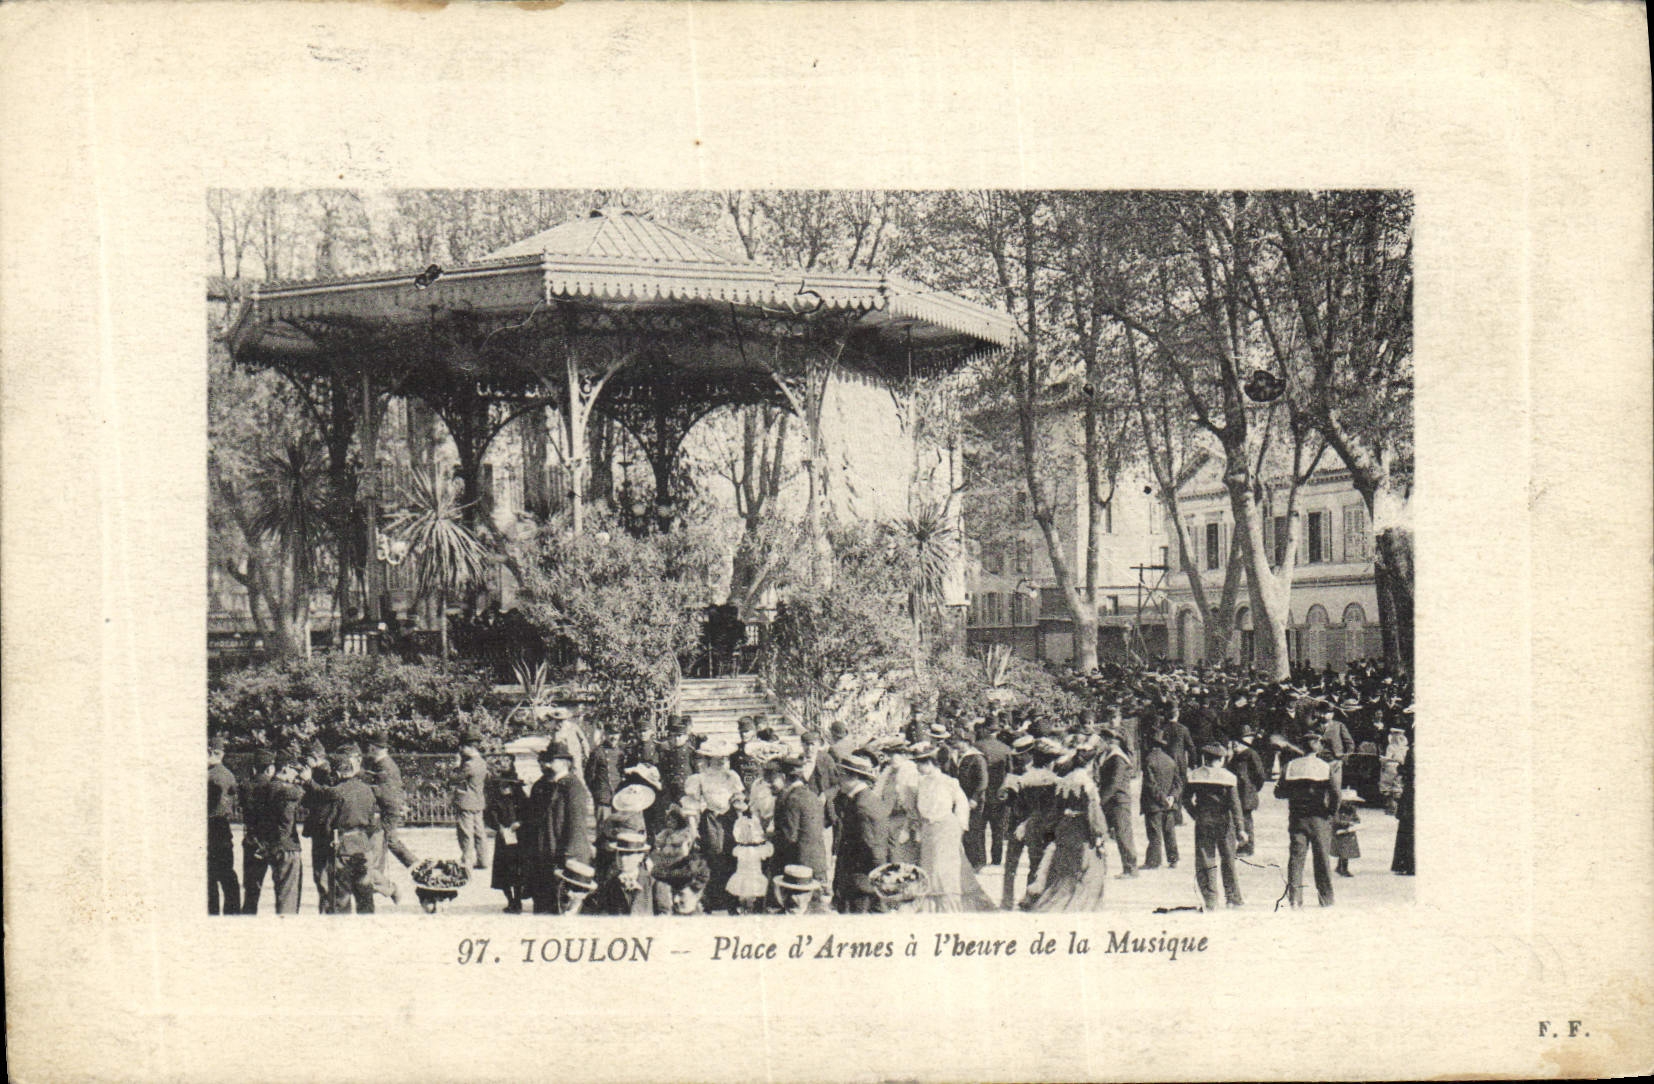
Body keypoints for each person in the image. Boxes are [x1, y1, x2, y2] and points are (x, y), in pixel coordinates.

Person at [1025, 743, 1109, 912]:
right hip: (1082, 827)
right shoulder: (1087, 783)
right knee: (1088, 867)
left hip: (1065, 826)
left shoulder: (1066, 780)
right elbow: (1093, 813)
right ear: (1090, 764)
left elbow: (1056, 808)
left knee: (1064, 866)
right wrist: (1100, 834)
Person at [521, 742, 595, 915]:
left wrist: (570, 857)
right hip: (542, 855)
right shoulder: (543, 785)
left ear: (563, 762)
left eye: (550, 761)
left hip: (563, 857)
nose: (545, 764)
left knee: (562, 906)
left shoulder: (573, 787)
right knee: (541, 905)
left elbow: (577, 825)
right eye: (545, 761)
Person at [1275, 729, 1340, 907]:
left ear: (1302, 747)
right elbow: (1336, 794)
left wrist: (1296, 794)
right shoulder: (1324, 766)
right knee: (1322, 859)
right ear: (1317, 747)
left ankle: (1295, 898)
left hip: (1297, 817)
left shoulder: (1290, 766)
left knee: (1296, 859)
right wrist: (1331, 812)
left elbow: (1279, 792)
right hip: (1319, 817)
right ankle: (1326, 899)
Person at [240, 749, 306, 915]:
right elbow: (288, 815)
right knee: (287, 899)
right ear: (284, 769)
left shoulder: (254, 787)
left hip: (260, 843)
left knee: (251, 895)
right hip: (284, 846)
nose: (296, 775)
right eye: (294, 770)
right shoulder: (284, 789)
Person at [683, 735, 744, 913]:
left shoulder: (731, 777)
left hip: (730, 819)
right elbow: (691, 806)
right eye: (719, 758)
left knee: (732, 856)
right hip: (711, 821)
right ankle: (713, 900)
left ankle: (731, 900)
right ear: (711, 759)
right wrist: (693, 829)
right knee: (714, 856)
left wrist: (741, 819)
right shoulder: (700, 778)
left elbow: (739, 800)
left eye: (725, 758)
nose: (723, 761)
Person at [1182, 743, 1247, 910]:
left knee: (1205, 859)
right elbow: (1235, 805)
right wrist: (1241, 828)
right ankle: (1233, 898)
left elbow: (1185, 799)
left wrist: (1196, 814)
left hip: (1203, 820)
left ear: (1205, 758)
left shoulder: (1195, 775)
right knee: (1228, 860)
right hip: (1224, 821)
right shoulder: (1228, 777)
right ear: (1221, 759)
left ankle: (1211, 900)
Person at [319, 745, 382, 914]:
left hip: (343, 847)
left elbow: (327, 824)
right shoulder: (367, 790)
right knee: (365, 896)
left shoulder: (336, 792)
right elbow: (372, 821)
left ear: (338, 772)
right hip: (363, 845)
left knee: (341, 898)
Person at [830, 752, 889, 913]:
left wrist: (880, 886)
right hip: (859, 882)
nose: (838, 779)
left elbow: (873, 849)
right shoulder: (866, 800)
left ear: (854, 777)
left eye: (841, 775)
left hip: (861, 885)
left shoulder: (861, 806)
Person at [769, 755, 829, 897]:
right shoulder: (813, 796)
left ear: (783, 776)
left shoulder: (792, 799)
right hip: (817, 862)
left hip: (798, 866)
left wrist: (769, 837)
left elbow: (789, 837)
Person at [363, 731, 420, 873]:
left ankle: (416, 866)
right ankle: (378, 872)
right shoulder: (382, 763)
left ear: (374, 748)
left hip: (389, 809)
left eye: (370, 746)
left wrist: (365, 789)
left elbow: (384, 792)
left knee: (388, 840)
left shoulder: (384, 765)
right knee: (382, 838)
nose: (368, 749)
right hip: (390, 807)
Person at [484, 753, 530, 913]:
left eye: (508, 785)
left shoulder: (521, 799)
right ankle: (510, 900)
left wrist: (520, 823)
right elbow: (490, 816)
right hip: (503, 839)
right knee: (503, 872)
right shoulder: (496, 800)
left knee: (517, 871)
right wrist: (499, 828)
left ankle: (517, 901)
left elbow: (528, 814)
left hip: (518, 838)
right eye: (502, 785)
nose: (505, 788)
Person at [1094, 727, 1138, 877]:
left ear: (1111, 741)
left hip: (1119, 801)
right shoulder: (1109, 755)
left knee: (1123, 834)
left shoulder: (1117, 758)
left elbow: (1114, 784)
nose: (1100, 743)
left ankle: (1131, 869)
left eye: (1103, 740)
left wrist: (1099, 801)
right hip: (1112, 801)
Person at [1140, 725, 1182, 871]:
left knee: (1154, 833)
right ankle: (1173, 858)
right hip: (1169, 804)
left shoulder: (1148, 760)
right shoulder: (1170, 760)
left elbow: (1150, 785)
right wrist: (1171, 797)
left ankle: (1153, 861)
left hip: (1154, 804)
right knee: (1169, 831)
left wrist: (1162, 798)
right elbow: (1178, 783)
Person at [299, 739, 334, 913]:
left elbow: (328, 795)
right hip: (319, 829)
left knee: (322, 872)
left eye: (307, 759)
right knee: (320, 873)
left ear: (314, 757)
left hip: (324, 829)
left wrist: (308, 782)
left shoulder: (326, 772)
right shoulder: (318, 771)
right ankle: (325, 906)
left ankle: (327, 908)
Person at [973, 720, 1014, 868]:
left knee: (980, 828)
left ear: (984, 729)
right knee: (998, 828)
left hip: (981, 793)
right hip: (999, 793)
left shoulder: (977, 747)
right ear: (997, 732)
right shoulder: (1006, 748)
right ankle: (997, 859)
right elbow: (1010, 772)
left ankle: (981, 859)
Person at [207, 735, 240, 915]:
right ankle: (232, 914)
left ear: (211, 752)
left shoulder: (210, 776)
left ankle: (213, 914)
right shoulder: (229, 775)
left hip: (211, 831)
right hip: (224, 831)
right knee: (227, 876)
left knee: (210, 880)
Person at [949, 730, 990, 871]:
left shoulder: (977, 758)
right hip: (960, 799)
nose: (956, 745)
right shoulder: (957, 757)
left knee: (973, 830)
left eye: (959, 742)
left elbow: (983, 782)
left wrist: (975, 798)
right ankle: (968, 861)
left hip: (973, 800)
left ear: (966, 742)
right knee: (964, 830)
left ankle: (978, 862)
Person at [590, 827, 654, 916]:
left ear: (641, 856)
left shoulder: (653, 884)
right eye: (620, 854)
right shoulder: (610, 885)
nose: (623, 859)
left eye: (628, 854)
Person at [451, 730, 490, 871]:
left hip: (466, 802)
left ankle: (466, 861)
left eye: (462, 747)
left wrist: (456, 764)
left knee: (465, 832)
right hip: (478, 802)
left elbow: (454, 778)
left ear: (469, 747)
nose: (460, 750)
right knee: (479, 831)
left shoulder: (468, 765)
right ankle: (483, 860)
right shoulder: (482, 762)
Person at [1227, 727, 1268, 857]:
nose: (1233, 745)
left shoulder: (1251, 754)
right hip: (1237, 793)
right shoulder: (1235, 756)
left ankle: (1247, 847)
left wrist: (1253, 788)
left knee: (1246, 820)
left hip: (1246, 793)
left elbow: (1260, 775)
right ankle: (1240, 845)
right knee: (1237, 819)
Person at [725, 810, 773, 914]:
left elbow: (735, 853)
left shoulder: (739, 849)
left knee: (743, 894)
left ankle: (744, 909)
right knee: (754, 894)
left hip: (743, 876)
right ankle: (750, 910)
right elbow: (769, 851)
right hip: (754, 876)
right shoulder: (759, 850)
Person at [584, 723, 623, 822]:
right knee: (603, 829)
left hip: (618, 797)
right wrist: (597, 793)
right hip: (603, 797)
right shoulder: (598, 752)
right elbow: (589, 776)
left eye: (616, 734)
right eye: (611, 734)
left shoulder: (621, 753)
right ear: (605, 735)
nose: (614, 737)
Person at [656, 714, 697, 805]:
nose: (677, 739)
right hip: (671, 787)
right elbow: (664, 769)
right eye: (674, 736)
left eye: (680, 736)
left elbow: (696, 771)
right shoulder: (669, 751)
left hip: (686, 786)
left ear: (686, 737)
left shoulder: (690, 752)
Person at [1333, 790, 1361, 877]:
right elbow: (1335, 821)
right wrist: (1346, 823)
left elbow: (1357, 819)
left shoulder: (1352, 810)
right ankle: (1343, 868)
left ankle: (1339, 867)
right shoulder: (1337, 810)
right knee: (1343, 852)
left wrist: (1355, 822)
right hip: (1341, 833)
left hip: (1349, 833)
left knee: (1346, 852)